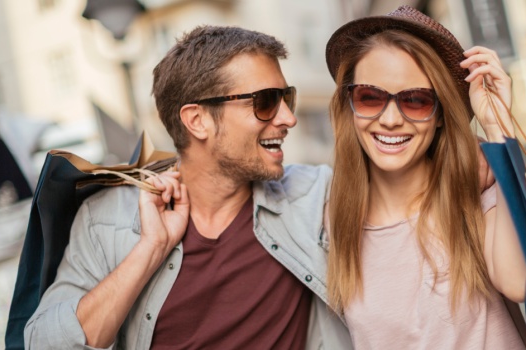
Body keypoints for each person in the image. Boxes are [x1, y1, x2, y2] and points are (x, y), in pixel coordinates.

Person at [24, 26, 352, 349]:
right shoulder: (105, 222)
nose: (288, 118)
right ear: (197, 120)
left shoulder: (313, 194)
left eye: (286, 98)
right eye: (265, 101)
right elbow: (43, 343)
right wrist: (150, 249)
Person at [324, 6, 526, 349]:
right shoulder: (335, 217)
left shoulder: (474, 186)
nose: (390, 119)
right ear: (349, 104)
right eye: (370, 97)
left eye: (415, 100)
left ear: (439, 115)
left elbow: (517, 281)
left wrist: (498, 127)